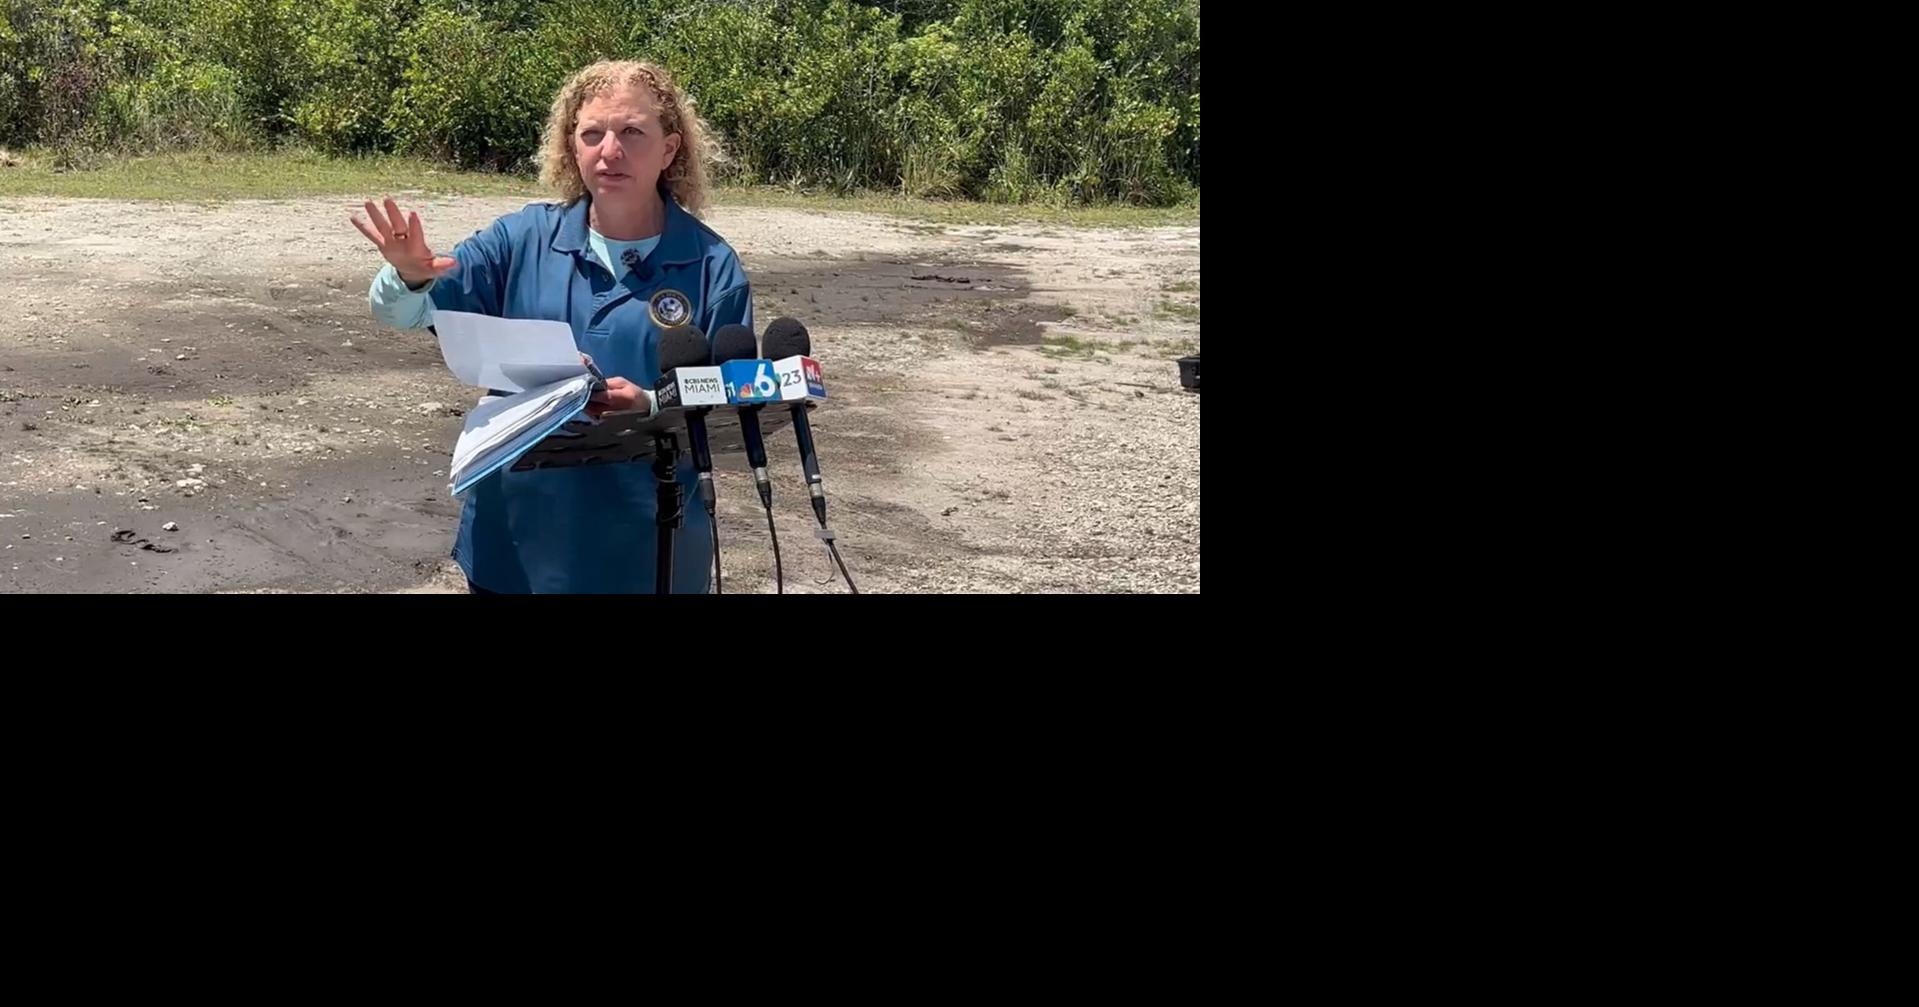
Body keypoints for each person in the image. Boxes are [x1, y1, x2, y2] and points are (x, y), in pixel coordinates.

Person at [351, 59, 751, 594]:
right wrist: (408, 275)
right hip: (517, 546)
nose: (611, 150)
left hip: (652, 551)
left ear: (670, 149)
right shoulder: (519, 240)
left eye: (632, 132)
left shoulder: (712, 264)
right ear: (572, 146)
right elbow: (407, 312)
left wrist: (654, 404)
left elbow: (737, 397)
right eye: (593, 134)